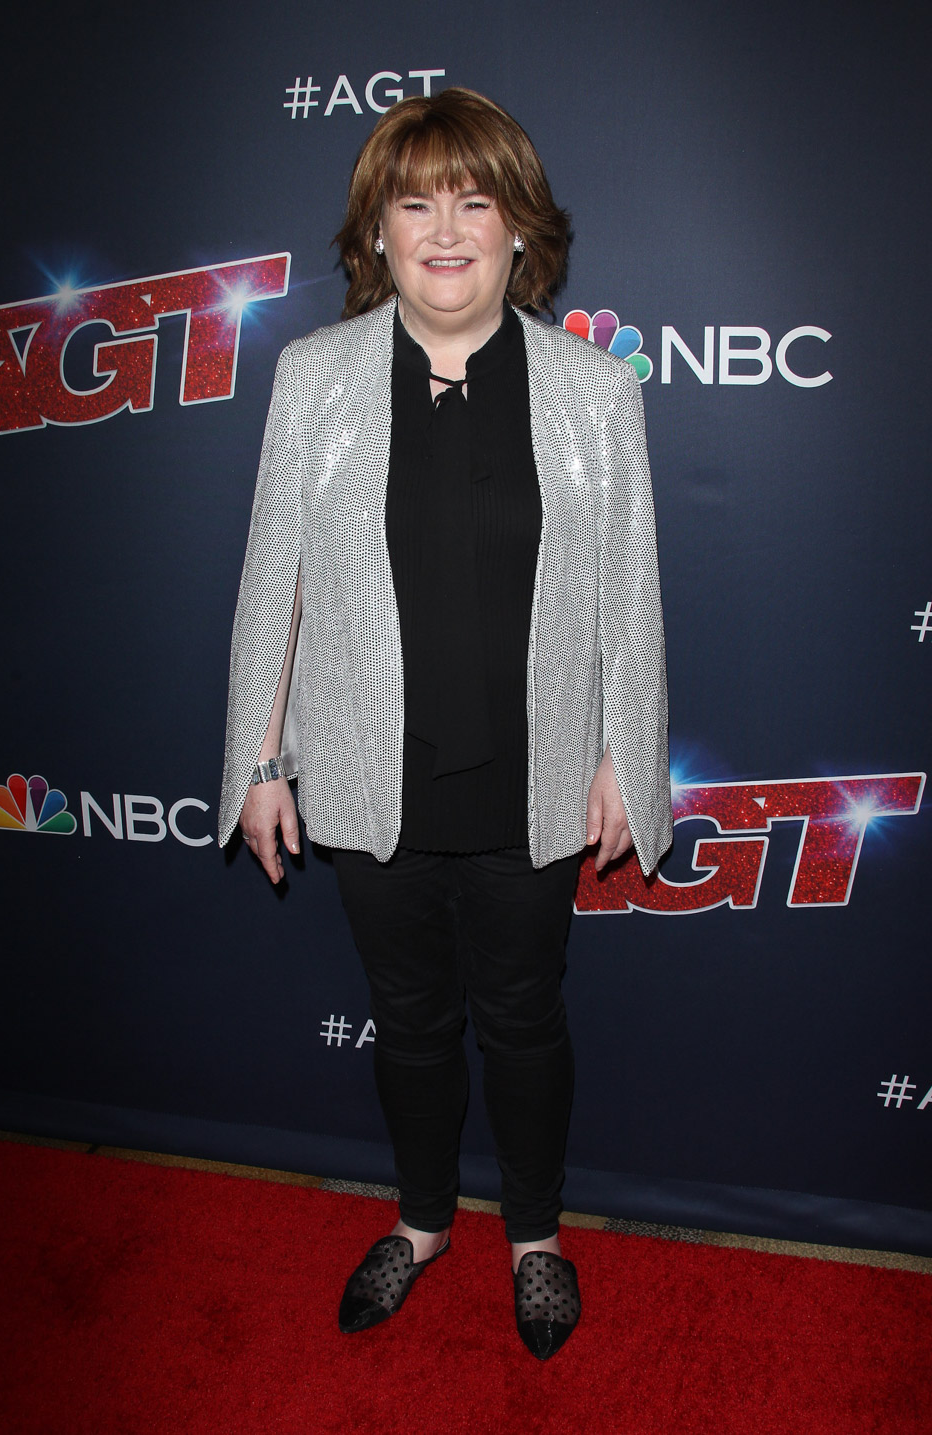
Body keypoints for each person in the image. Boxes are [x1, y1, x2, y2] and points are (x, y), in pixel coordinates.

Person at [219, 87, 671, 1360]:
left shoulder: (592, 390)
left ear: (521, 229)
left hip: (527, 780)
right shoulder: (314, 379)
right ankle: (420, 1220)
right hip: (369, 777)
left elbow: (630, 599)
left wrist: (621, 756)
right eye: (415, 202)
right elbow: (276, 587)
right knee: (409, 1018)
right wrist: (260, 761)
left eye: (474, 198)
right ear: (377, 233)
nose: (447, 228)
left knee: (524, 1019)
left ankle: (535, 1235)